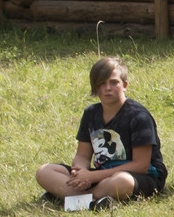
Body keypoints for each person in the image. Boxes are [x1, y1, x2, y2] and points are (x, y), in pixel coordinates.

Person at [36, 57, 167, 209]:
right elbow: (82, 155)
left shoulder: (139, 116)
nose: (108, 88)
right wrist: (80, 172)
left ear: (125, 85)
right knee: (44, 171)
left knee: (122, 182)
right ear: (95, 87)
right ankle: (93, 200)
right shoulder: (91, 113)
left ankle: (68, 198)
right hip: (102, 175)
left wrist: (92, 176)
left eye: (113, 82)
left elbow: (141, 165)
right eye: (102, 83)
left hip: (141, 176)